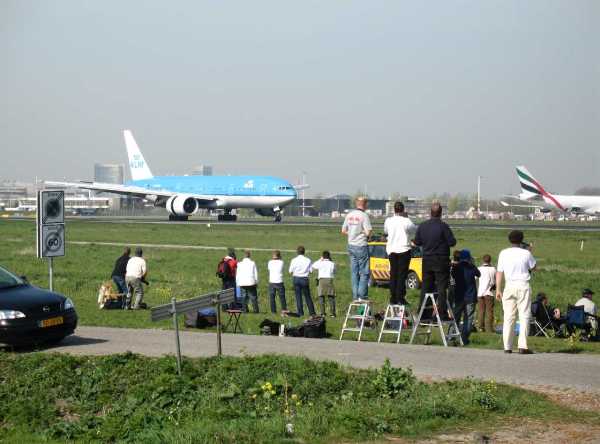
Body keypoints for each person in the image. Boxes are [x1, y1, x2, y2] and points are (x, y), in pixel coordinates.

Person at [496, 230, 537, 354]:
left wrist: (498, 289)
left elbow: (499, 272)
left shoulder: (503, 253)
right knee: (524, 316)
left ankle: (507, 346)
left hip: (509, 286)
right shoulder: (526, 253)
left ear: (510, 240)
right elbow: (534, 267)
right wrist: (530, 251)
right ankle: (522, 346)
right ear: (521, 240)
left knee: (508, 317)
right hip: (523, 285)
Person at [414, 203, 456, 321]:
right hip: (441, 260)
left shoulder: (422, 226)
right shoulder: (444, 227)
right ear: (441, 213)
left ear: (430, 212)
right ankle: (442, 314)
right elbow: (452, 242)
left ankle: (423, 314)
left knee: (426, 288)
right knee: (441, 288)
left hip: (427, 260)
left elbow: (417, 242)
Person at [384, 201, 416, 305]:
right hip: (404, 250)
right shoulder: (406, 221)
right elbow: (414, 230)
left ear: (394, 209)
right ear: (403, 210)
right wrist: (407, 218)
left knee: (393, 274)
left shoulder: (388, 221)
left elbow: (386, 232)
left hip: (392, 250)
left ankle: (393, 297)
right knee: (402, 275)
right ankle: (400, 297)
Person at [341, 197, 373, 300]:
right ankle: (362, 295)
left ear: (356, 204)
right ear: (365, 204)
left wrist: (352, 233)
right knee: (364, 272)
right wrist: (362, 232)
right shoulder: (364, 216)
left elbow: (343, 231)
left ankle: (355, 296)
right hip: (361, 246)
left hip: (351, 245)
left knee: (354, 272)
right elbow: (368, 232)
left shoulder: (349, 215)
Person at [451, 249, 480, 345]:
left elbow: (453, 275)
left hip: (459, 296)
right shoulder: (471, 267)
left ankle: (451, 337)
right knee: (469, 318)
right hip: (470, 296)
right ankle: (464, 339)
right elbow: (478, 274)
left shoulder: (456, 267)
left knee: (456, 317)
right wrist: (472, 263)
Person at [289, 245, 316, 316]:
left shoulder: (293, 260)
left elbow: (290, 271)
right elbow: (311, 271)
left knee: (298, 296)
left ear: (297, 252)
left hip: (296, 278)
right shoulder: (308, 260)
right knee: (307, 296)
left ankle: (300, 312)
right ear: (304, 252)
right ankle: (312, 312)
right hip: (304, 279)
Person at [311, 250, 336, 317]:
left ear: (323, 256)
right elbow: (334, 271)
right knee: (331, 297)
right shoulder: (332, 263)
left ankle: (323, 313)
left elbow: (313, 266)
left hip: (321, 280)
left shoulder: (320, 263)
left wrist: (320, 259)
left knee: (321, 296)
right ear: (329, 256)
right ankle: (332, 313)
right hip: (329, 279)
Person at [477, 254, 496, 333]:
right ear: (490, 260)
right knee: (489, 311)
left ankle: (481, 327)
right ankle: (489, 328)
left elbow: (475, 278)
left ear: (483, 260)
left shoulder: (479, 269)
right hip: (489, 292)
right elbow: (495, 280)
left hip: (480, 292)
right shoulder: (493, 269)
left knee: (481, 311)